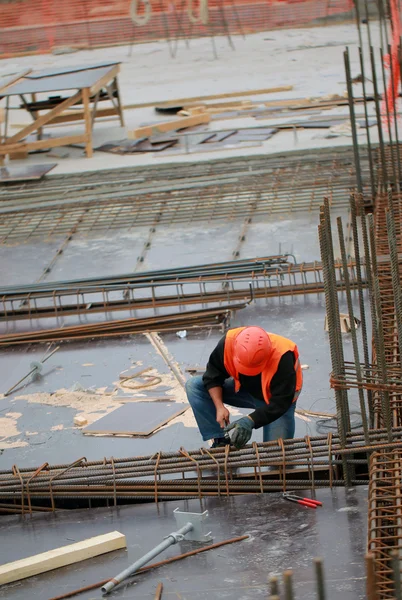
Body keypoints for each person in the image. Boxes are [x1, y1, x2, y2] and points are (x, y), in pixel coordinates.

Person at [185, 326, 302, 449]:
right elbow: (212, 376)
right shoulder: (228, 344)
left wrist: (250, 420)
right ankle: (221, 440)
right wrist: (219, 407)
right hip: (245, 391)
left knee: (277, 454)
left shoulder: (283, 356)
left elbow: (281, 403)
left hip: (276, 403)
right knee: (194, 386)